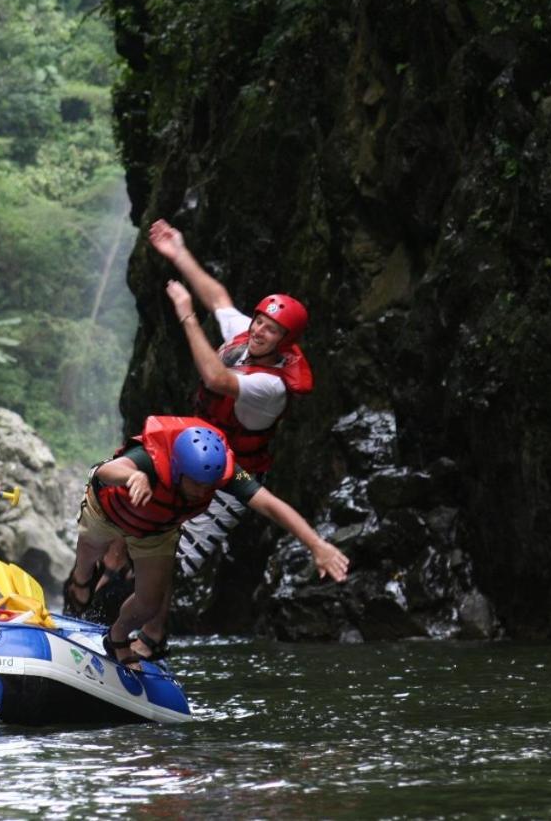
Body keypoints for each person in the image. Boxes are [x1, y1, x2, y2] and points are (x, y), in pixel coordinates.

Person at [70, 416, 348, 668]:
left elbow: (270, 505)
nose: (204, 490)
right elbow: (106, 470)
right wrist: (134, 476)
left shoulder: (226, 471)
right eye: (197, 484)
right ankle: (81, 582)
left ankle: (117, 637)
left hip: (156, 530)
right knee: (88, 560)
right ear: (178, 469)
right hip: (106, 514)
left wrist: (316, 544)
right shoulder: (149, 459)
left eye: (209, 485)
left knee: (150, 604)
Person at [149, 218, 314, 575]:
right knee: (137, 518)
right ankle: (90, 597)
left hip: (230, 478)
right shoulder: (246, 337)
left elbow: (215, 377)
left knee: (172, 563)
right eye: (259, 322)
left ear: (284, 342)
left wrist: (188, 317)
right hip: (193, 450)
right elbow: (219, 299)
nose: (259, 332)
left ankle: (144, 627)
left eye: (271, 331)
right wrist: (179, 252)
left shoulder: (271, 387)